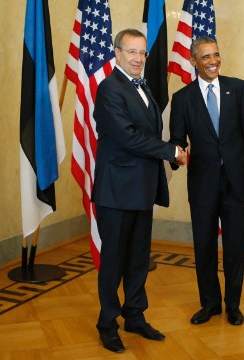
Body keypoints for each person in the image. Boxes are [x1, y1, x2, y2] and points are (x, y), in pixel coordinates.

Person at [92, 28, 186, 353]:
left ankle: (135, 316)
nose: (137, 58)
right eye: (131, 51)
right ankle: (108, 324)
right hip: (116, 192)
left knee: (138, 259)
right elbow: (128, 138)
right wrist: (171, 152)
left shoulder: (142, 86)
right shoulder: (109, 89)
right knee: (114, 260)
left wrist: (171, 149)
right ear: (116, 53)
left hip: (142, 190)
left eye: (142, 52)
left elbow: (147, 131)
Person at [169, 36, 244, 326]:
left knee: (235, 246)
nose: (213, 61)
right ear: (194, 60)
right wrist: (176, 155)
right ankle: (210, 304)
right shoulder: (182, 98)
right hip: (202, 183)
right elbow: (176, 140)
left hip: (236, 181)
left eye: (216, 55)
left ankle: (233, 305)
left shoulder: (238, 88)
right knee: (204, 246)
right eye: (206, 57)